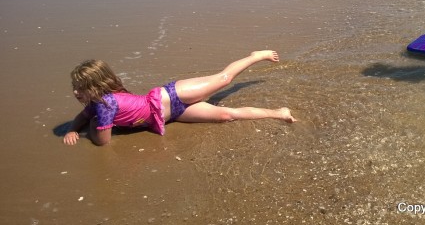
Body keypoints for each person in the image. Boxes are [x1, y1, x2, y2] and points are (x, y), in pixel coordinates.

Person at [63, 50, 296, 146]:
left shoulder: (104, 106)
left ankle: (256, 56)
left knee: (223, 79)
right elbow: (82, 115)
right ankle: (278, 113)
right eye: (75, 87)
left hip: (171, 95)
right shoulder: (98, 103)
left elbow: (102, 141)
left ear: (96, 87)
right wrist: (74, 129)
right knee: (226, 115)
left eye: (80, 88)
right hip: (173, 114)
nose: (75, 93)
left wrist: (92, 126)